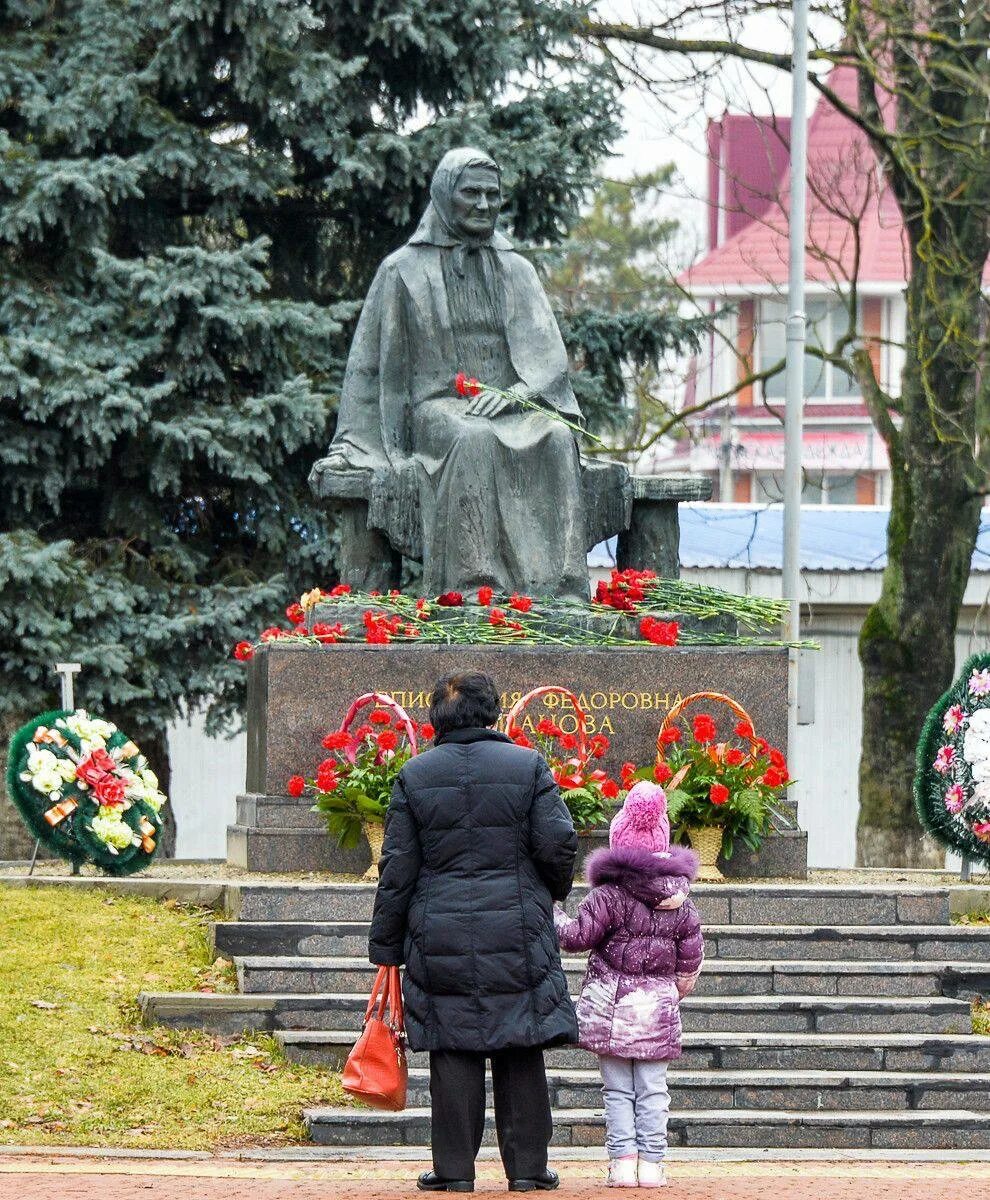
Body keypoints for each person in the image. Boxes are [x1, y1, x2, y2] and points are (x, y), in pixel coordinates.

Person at [311, 146, 591, 601]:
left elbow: (548, 357)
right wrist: (352, 442)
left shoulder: (517, 270)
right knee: (472, 438)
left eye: (492, 195)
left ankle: (562, 588)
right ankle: (474, 587)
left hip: (514, 404)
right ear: (444, 195)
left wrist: (516, 393)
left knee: (557, 438)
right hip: (436, 411)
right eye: (471, 193)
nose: (484, 205)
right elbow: (368, 367)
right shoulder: (401, 270)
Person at [369, 671, 579, 1193]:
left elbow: (397, 867)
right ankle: (528, 1170)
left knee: (452, 1045)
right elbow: (558, 842)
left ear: (436, 718)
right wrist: (548, 891)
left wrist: (386, 946)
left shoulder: (415, 775)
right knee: (521, 1041)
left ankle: (454, 1171)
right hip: (517, 923)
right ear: (492, 712)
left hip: (438, 927)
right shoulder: (528, 765)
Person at [553, 783, 704, 1189]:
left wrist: (553, 915)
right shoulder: (682, 900)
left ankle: (623, 1162)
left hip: (611, 1006)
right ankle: (653, 1164)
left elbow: (576, 937)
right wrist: (675, 990)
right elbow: (691, 955)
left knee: (617, 1089)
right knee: (654, 1089)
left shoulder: (607, 896)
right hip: (656, 1006)